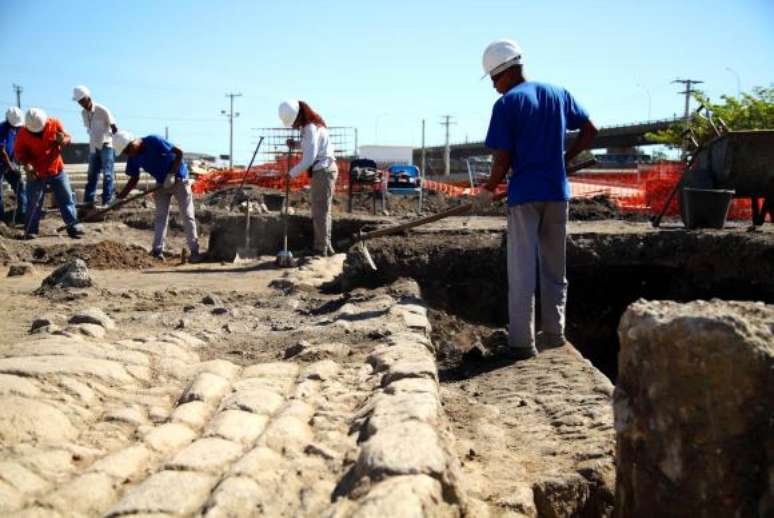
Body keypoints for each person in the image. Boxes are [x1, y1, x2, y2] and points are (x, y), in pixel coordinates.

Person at [475, 39, 598, 360]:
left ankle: (521, 342)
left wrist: (488, 188)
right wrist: (565, 159)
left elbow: (502, 158)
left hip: (524, 196)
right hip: (557, 193)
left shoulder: (507, 105)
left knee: (522, 270)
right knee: (555, 267)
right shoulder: (558, 93)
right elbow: (590, 130)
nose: (494, 87)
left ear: (505, 72)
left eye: (493, 79)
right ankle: (554, 334)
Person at [113, 130, 202, 262]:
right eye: (126, 153)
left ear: (133, 141)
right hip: (161, 183)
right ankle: (157, 251)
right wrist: (120, 197)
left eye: (128, 150)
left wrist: (171, 174)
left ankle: (194, 251)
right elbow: (133, 179)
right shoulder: (133, 156)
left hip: (179, 179)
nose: (129, 154)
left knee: (187, 215)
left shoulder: (153, 141)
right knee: (160, 217)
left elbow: (179, 153)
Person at [278, 100, 338, 256]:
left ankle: (320, 249)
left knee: (320, 212)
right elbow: (310, 146)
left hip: (323, 170)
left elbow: (309, 158)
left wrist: (291, 173)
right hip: (324, 169)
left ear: (298, 116)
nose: (292, 126)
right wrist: (296, 144)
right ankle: (326, 246)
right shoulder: (311, 126)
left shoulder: (310, 128)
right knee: (323, 211)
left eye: (293, 123)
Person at [14, 108, 84, 239]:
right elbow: (19, 153)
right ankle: (30, 230)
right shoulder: (23, 134)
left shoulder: (54, 123)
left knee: (66, 198)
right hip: (36, 172)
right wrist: (27, 165)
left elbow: (67, 137)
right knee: (33, 202)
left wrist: (63, 140)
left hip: (56, 168)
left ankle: (73, 226)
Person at [73, 85, 118, 207]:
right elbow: (90, 129)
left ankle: (107, 201)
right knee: (92, 175)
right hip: (94, 147)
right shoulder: (83, 113)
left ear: (88, 98)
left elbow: (114, 127)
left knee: (108, 175)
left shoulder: (102, 110)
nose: (81, 104)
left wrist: (116, 143)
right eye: (79, 102)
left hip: (106, 145)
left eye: (82, 100)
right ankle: (89, 201)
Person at [0, 107, 27, 224]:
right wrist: (11, 165)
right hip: (3, 162)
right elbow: (1, 150)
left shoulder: (18, 128)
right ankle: (1, 219)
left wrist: (18, 160)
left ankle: (23, 214)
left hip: (10, 161)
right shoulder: (2, 129)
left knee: (19, 185)